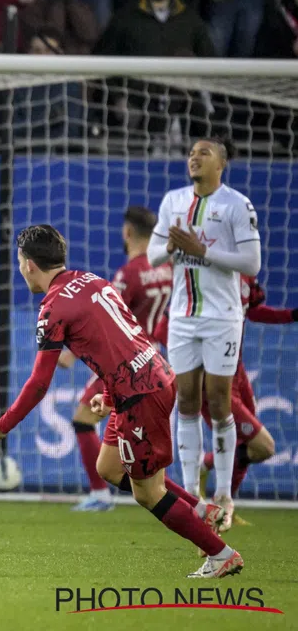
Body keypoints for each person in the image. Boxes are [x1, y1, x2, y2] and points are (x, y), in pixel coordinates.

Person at [0, 224, 241, 579]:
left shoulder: (52, 308)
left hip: (140, 395)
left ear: (28, 264)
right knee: (110, 468)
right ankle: (201, 510)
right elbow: (119, 340)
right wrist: (111, 392)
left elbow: (40, 382)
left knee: (148, 492)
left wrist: (3, 425)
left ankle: (221, 554)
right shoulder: (93, 280)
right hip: (151, 376)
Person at [147, 137, 262, 530]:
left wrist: (201, 250)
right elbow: (153, 254)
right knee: (187, 401)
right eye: (192, 153)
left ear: (221, 164)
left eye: (204, 153)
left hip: (221, 316)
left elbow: (252, 261)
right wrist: (176, 249)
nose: (194, 157)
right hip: (182, 316)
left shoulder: (236, 204)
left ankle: (225, 496)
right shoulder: (173, 200)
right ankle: (194, 497)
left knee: (219, 402)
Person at [65, 206, 171, 512]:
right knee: (125, 430)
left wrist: (72, 353)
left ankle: (102, 494)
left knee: (83, 419)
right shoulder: (166, 269)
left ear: (127, 232)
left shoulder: (129, 274)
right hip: (152, 357)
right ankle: (146, 489)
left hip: (124, 362)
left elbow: (108, 321)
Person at [196, 275, 292, 508]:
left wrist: (292, 315)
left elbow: (253, 311)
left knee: (245, 444)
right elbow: (163, 328)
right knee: (264, 447)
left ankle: (225, 502)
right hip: (214, 380)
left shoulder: (244, 271)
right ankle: (205, 466)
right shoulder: (202, 274)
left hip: (237, 374)